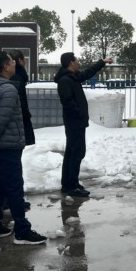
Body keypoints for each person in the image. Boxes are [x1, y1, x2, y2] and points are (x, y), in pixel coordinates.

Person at [0, 51, 46, 245]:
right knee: (14, 188)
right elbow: (1, 120)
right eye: (12, 62)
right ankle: (22, 231)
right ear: (5, 67)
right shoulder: (8, 90)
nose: (15, 64)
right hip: (7, 146)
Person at [54, 52, 112, 197]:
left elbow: (87, 73)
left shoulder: (72, 77)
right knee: (76, 153)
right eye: (76, 60)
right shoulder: (65, 80)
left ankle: (68, 184)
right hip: (74, 122)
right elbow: (68, 102)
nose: (78, 62)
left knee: (72, 153)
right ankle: (71, 186)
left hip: (76, 122)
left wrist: (102, 62)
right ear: (71, 62)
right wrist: (79, 113)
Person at [9, 50, 35, 146]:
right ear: (20, 60)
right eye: (24, 60)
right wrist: (26, 115)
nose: (25, 63)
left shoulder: (13, 76)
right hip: (19, 120)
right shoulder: (18, 78)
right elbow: (20, 100)